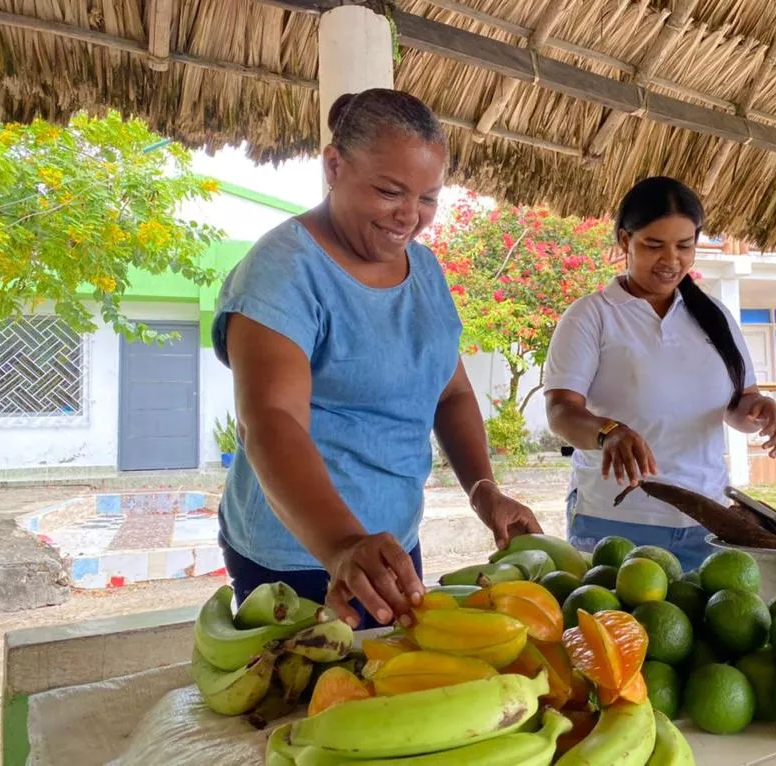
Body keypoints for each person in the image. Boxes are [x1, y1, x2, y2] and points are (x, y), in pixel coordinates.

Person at [212, 89, 542, 630]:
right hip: (298, 555)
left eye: (429, 198)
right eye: (390, 191)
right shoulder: (283, 271)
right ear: (335, 165)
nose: (409, 217)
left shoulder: (425, 270)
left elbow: (451, 391)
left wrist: (485, 492)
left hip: (390, 548)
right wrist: (342, 544)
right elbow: (270, 422)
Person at [543, 176, 776, 572]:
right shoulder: (593, 315)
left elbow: (738, 406)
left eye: (684, 246)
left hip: (706, 519)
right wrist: (608, 432)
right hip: (616, 521)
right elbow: (561, 413)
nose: (671, 260)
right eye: (654, 245)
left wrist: (759, 410)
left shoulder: (714, 317)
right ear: (625, 241)